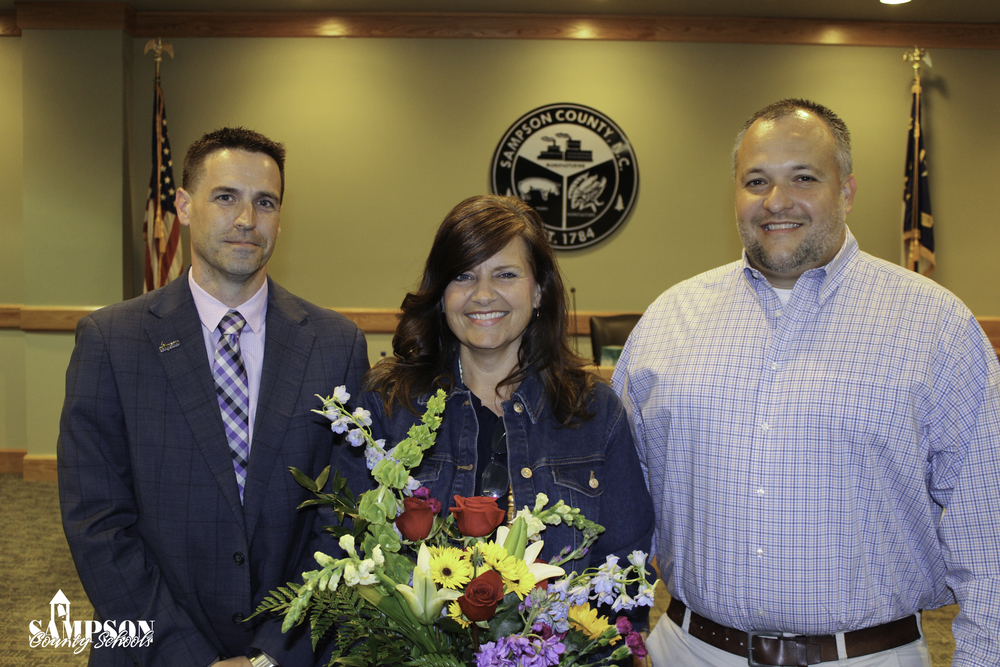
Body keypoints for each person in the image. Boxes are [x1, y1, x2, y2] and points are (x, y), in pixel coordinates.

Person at [613, 98, 1000, 667]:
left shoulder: (935, 327)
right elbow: (621, 508)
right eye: (756, 181)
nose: (776, 201)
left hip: (867, 657)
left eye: (803, 177)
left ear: (846, 191)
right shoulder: (670, 320)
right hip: (690, 650)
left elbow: (988, 529)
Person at [58, 127, 369, 667]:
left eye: (265, 202)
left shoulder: (336, 344)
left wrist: (273, 654)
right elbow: (97, 522)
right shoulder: (111, 341)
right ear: (183, 206)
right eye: (226, 197)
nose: (247, 219)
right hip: (151, 649)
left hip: (295, 649)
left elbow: (346, 518)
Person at [341, 194, 654, 572]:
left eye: (506, 274)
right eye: (463, 275)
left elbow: (623, 568)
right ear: (441, 294)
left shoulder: (594, 412)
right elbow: (346, 548)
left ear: (538, 290)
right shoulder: (388, 404)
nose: (484, 294)